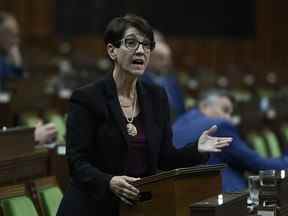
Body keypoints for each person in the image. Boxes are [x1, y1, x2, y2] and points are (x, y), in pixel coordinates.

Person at [56, 14, 232, 216]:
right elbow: (77, 163)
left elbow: (165, 158)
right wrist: (109, 181)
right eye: (131, 43)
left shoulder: (156, 97)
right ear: (112, 50)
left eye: (146, 45)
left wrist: (197, 149)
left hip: (136, 208)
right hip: (93, 207)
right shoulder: (88, 98)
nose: (140, 50)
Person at [173, 89, 288, 192]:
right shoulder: (219, 126)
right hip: (220, 200)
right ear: (204, 106)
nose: (228, 118)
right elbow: (257, 164)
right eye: (225, 110)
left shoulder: (176, 125)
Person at [142, 30, 186, 122]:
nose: (167, 63)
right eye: (161, 58)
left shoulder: (172, 80)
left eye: (169, 58)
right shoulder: (137, 81)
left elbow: (181, 109)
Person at [0, 11, 23, 91]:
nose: (17, 41)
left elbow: (18, 84)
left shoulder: (5, 58)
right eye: (12, 35)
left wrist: (17, 60)